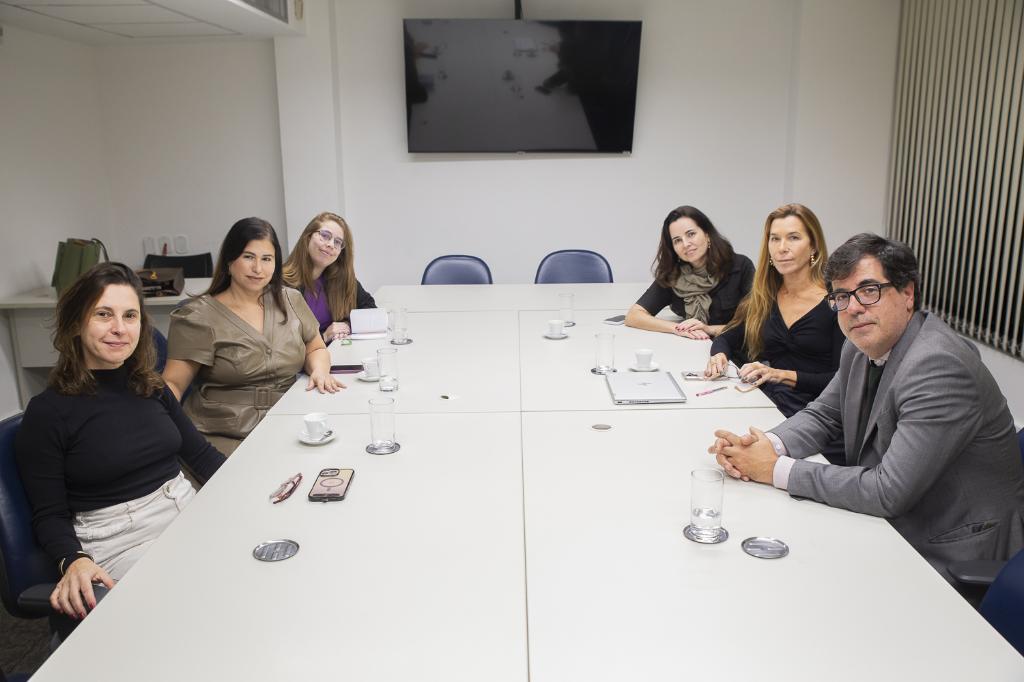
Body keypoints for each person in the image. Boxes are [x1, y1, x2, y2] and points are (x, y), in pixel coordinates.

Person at [709, 233, 1024, 583]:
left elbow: (888, 491)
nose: (854, 308)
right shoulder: (860, 345)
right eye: (841, 297)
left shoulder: (938, 365)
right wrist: (763, 445)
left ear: (908, 293)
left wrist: (774, 469)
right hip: (894, 522)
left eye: (869, 291)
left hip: (950, 547)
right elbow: (825, 415)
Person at [15, 263, 225, 620]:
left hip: (185, 508)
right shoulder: (48, 412)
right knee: (205, 603)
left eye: (130, 315)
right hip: (120, 540)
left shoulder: (151, 386)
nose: (119, 328)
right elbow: (49, 514)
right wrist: (73, 559)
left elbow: (201, 456)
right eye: (103, 314)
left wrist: (256, 486)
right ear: (76, 323)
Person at [163, 217, 343, 455]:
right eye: (249, 257)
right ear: (230, 260)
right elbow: (173, 385)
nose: (258, 269)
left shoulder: (290, 300)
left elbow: (316, 347)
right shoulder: (198, 316)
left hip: (289, 420)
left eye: (267, 259)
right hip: (223, 434)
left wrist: (319, 370)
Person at [705, 204, 844, 420]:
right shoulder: (766, 297)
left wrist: (779, 375)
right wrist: (719, 356)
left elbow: (841, 381)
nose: (782, 248)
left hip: (817, 415)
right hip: (770, 404)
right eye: (775, 239)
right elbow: (726, 338)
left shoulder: (836, 302)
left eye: (793, 238)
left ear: (814, 246)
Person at [625, 205, 754, 339]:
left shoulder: (740, 266)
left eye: (691, 234)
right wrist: (677, 328)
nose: (686, 244)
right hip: (693, 344)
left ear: (707, 234)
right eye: (677, 240)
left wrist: (709, 329)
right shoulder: (674, 275)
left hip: (736, 346)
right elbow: (634, 316)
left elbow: (757, 323)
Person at [282, 211, 376, 343]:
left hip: (337, 352)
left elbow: (370, 309)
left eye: (337, 242)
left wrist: (347, 325)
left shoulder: (340, 279)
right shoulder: (282, 283)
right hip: (308, 355)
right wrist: (324, 336)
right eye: (325, 236)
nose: (331, 245)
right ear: (308, 237)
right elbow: (283, 342)